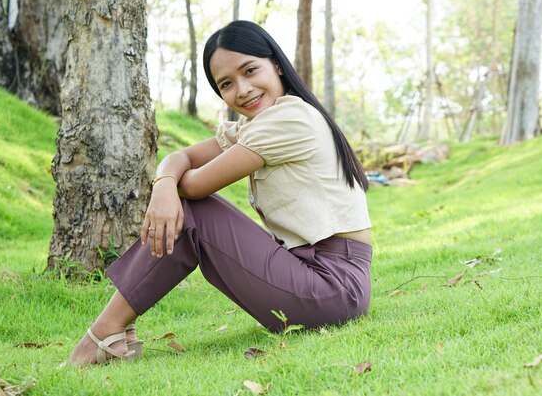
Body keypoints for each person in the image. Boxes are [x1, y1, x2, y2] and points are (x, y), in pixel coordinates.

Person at [69, 20, 373, 365]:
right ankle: (115, 329)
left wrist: (167, 188)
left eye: (250, 70)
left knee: (194, 210)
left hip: (331, 287)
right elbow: (180, 157)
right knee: (185, 204)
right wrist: (165, 183)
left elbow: (196, 185)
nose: (242, 89)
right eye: (227, 84)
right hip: (316, 276)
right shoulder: (257, 125)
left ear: (276, 64)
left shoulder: (290, 120)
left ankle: (105, 333)